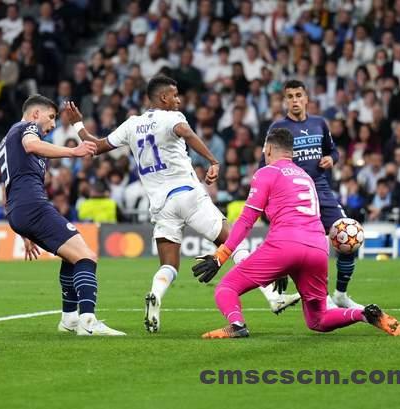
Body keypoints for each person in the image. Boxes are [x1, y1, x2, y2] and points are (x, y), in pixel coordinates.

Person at [64, 75, 300, 334]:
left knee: (169, 265)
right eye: (175, 95)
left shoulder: (132, 124)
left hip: (161, 205)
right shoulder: (172, 117)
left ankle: (155, 294)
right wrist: (213, 160)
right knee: (233, 244)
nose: (178, 100)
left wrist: (77, 125)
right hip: (188, 194)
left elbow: (97, 146)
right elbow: (185, 132)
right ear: (163, 97)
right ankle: (274, 297)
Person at [194, 128, 400, 339]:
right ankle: (364, 314)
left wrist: (221, 256)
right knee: (318, 320)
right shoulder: (305, 176)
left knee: (227, 287)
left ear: (268, 149)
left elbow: (247, 220)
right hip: (318, 248)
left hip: (284, 245)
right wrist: (282, 268)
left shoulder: (266, 172)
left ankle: (237, 325)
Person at [0, 94, 125, 336]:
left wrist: (23, 231)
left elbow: (8, 187)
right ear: (35, 114)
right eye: (51, 117)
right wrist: (73, 151)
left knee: (71, 256)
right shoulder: (26, 128)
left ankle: (69, 319)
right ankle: (88, 321)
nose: (53, 124)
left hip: (19, 210)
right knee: (86, 256)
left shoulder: (7, 141)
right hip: (33, 206)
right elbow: (31, 144)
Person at [265, 79, 364, 309]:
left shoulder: (319, 123)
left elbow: (333, 151)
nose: (295, 100)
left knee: (348, 234)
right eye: (290, 96)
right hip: (294, 195)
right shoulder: (277, 129)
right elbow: (266, 163)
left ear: (307, 98)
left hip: (321, 190)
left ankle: (341, 294)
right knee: (310, 247)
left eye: (299, 95)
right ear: (285, 101)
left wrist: (331, 159)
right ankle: (322, 297)